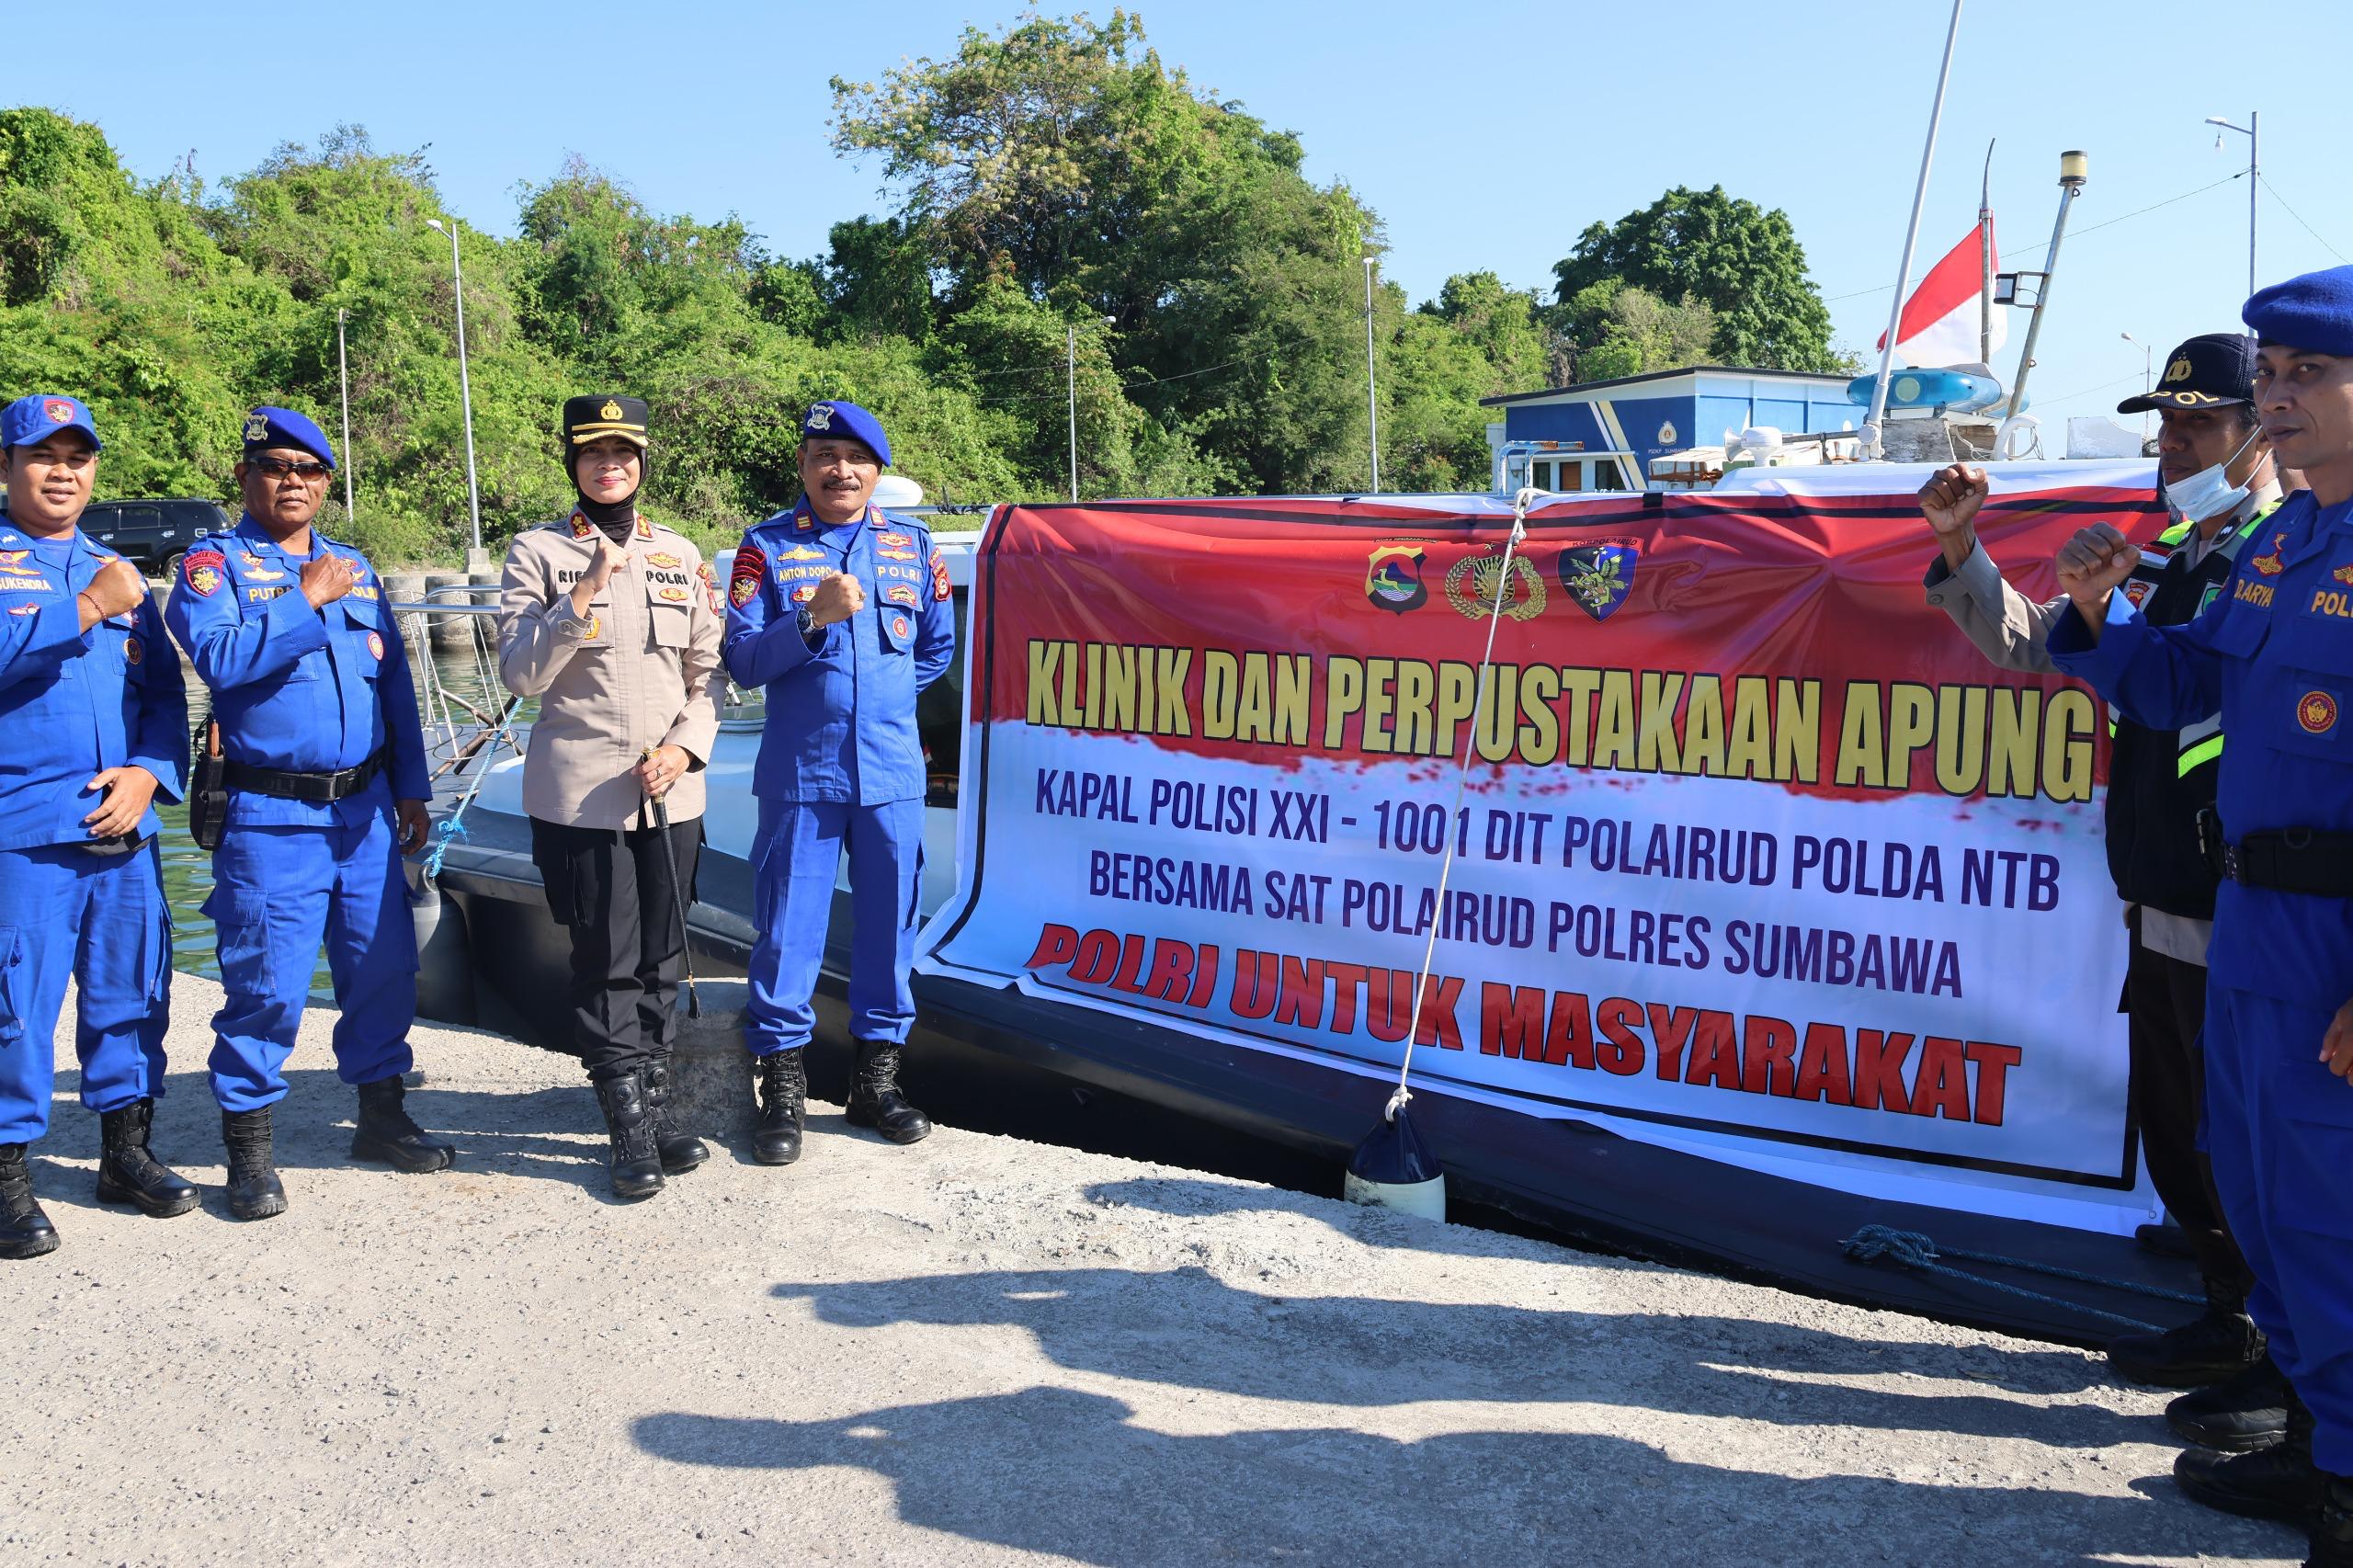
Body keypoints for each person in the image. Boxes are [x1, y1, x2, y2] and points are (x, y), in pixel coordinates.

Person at [1917, 335, 2286, 1436]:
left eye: (2198, 425)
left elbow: (2197, 696)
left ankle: (2287, 1366)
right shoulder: (2168, 553)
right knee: (2177, 1121)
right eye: (2164, 425)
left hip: (2246, 906)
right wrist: (1961, 545)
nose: (2172, 445)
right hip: (2160, 890)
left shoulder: (2283, 558)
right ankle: (2229, 1317)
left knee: (2251, 1139)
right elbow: (2041, 647)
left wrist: (2104, 610)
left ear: (2258, 433)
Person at [2046, 266, 2353, 1567]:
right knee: (2265, 1197)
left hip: (2336, 941)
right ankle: (2317, 1442)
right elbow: (2180, 689)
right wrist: (2101, 609)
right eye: (2268, 374)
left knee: (2336, 1212)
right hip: (2252, 918)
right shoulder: (2283, 542)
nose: (2276, 396)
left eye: (2306, 374)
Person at [163, 407, 453, 1221]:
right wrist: (304, 599)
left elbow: (393, 687)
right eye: (275, 467)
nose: (293, 481)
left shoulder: (355, 567)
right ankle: (250, 1152)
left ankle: (382, 1117)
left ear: (326, 482)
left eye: (309, 470)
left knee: (382, 968)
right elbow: (218, 658)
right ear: (245, 476)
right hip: (269, 814)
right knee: (268, 986)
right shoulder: (214, 566)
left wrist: (412, 787)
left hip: (364, 813)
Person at [497, 395, 723, 1199]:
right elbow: (522, 675)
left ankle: (657, 1106)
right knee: (605, 959)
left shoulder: (679, 554)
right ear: (574, 463)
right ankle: (626, 1124)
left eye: (623, 453)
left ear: (641, 463)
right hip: (580, 797)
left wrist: (684, 748)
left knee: (662, 953)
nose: (610, 466)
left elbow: (708, 674)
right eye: (594, 453)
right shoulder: (537, 552)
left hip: (671, 792)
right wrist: (584, 592)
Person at [722, 401, 953, 1164]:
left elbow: (935, 650)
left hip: (891, 774)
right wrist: (811, 620)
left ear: (877, 471)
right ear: (803, 465)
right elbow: (743, 661)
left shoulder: (913, 546)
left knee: (890, 930)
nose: (840, 471)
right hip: (802, 773)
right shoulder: (767, 548)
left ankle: (875, 1086)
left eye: (856, 458)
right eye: (825, 455)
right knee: (788, 933)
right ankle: (784, 1093)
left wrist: (877, 707)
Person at [0, 394, 193, 1256]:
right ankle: (7, 1177)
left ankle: (126, 1153)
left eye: (78, 457)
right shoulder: (70, 579)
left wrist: (150, 773)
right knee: (15, 1008)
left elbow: (163, 701)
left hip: (124, 833)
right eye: (44, 455)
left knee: (131, 994)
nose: (63, 472)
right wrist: (81, 609)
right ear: (6, 466)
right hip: (24, 832)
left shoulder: (117, 571)